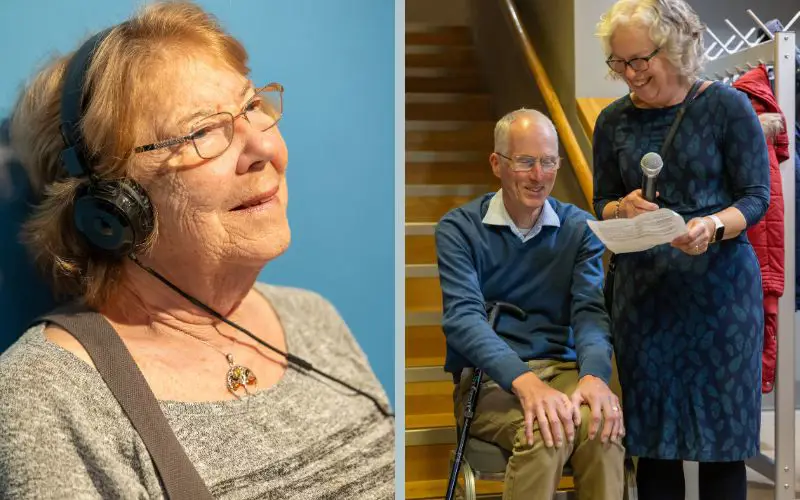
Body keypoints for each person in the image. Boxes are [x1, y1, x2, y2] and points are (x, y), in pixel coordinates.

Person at [0, 2, 394, 499]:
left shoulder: (314, 318)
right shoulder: (46, 396)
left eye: (252, 107)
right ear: (112, 204)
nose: (264, 150)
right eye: (204, 131)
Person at [592, 1, 770, 499]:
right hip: (644, 304)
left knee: (722, 450)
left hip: (720, 303)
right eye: (618, 63)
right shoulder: (612, 122)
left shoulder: (728, 107)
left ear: (675, 48)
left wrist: (712, 225)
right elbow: (599, 200)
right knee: (655, 449)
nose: (629, 74)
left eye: (639, 60)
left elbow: (757, 198)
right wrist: (619, 210)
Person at [435, 108, 625, 500]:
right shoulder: (460, 229)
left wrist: (594, 376)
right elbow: (464, 320)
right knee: (546, 432)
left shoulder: (579, 230)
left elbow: (589, 313)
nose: (539, 176)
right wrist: (526, 384)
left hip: (565, 368)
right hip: (490, 379)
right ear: (497, 163)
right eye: (525, 162)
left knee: (600, 427)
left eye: (548, 162)